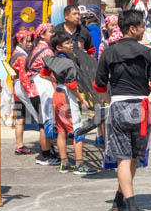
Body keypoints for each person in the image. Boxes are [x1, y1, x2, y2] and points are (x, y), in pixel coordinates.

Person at [94, 9, 151, 211]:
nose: (144, 30)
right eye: (142, 26)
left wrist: (110, 102)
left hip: (118, 105)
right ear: (132, 29)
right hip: (141, 106)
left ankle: (120, 197)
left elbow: (99, 85)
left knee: (124, 157)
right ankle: (132, 207)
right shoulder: (148, 53)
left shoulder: (108, 52)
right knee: (131, 157)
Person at [43, 31, 98, 175]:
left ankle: (64, 163)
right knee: (78, 129)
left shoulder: (51, 59)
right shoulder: (68, 63)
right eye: (67, 43)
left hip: (57, 94)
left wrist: (56, 81)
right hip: (67, 96)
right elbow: (72, 86)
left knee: (61, 130)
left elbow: (43, 74)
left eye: (70, 41)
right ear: (59, 47)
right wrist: (83, 100)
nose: (71, 44)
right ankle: (79, 164)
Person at [26, 23, 59, 165]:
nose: (53, 34)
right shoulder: (46, 51)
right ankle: (45, 155)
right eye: (51, 32)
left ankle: (47, 149)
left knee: (43, 121)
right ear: (42, 35)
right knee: (44, 122)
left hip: (36, 88)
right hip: (41, 89)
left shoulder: (39, 48)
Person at [8, 29, 35, 155]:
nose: (30, 44)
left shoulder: (14, 54)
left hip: (16, 87)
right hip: (22, 87)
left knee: (20, 117)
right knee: (38, 115)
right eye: (28, 41)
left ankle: (19, 145)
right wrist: (31, 91)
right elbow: (24, 77)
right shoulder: (22, 56)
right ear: (20, 41)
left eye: (31, 42)